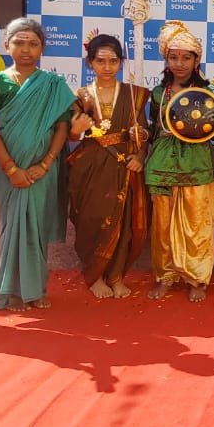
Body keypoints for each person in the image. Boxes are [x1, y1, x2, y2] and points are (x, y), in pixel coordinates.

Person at [0, 18, 74, 311]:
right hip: (7, 169)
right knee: (12, 226)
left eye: (33, 44)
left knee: (35, 227)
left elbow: (62, 128)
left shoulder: (53, 85)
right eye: (19, 42)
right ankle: (11, 291)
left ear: (42, 48)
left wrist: (45, 164)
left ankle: (35, 290)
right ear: (7, 45)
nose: (25, 49)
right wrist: (11, 169)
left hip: (43, 169)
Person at [146, 21, 214, 303]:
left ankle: (197, 278)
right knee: (162, 228)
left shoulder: (207, 96)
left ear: (196, 61)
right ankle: (165, 276)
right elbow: (153, 130)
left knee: (197, 225)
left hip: (197, 166)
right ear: (166, 59)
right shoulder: (158, 94)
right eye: (173, 57)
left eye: (186, 58)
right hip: (162, 167)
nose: (179, 64)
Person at [66, 34, 149, 300]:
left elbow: (144, 133)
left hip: (125, 165)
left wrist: (140, 156)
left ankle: (115, 276)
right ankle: (95, 276)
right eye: (100, 61)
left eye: (113, 61)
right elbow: (72, 136)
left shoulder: (134, 94)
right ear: (90, 62)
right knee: (91, 220)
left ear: (121, 62)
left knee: (124, 223)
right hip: (91, 168)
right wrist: (76, 130)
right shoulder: (81, 96)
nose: (107, 66)